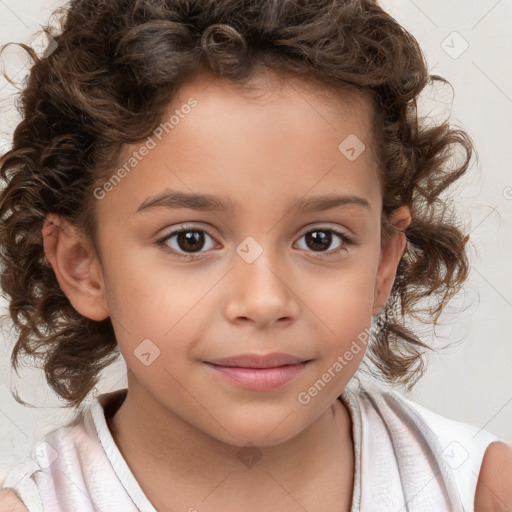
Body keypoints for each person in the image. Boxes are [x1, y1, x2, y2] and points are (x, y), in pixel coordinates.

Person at [0, 0, 511, 510]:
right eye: (190, 240)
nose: (264, 301)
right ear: (82, 267)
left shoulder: (481, 489)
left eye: (320, 239)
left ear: (382, 262)